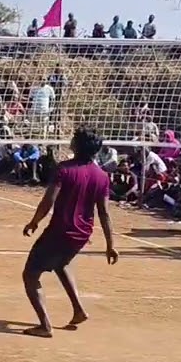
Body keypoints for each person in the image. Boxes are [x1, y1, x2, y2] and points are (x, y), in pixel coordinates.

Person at [20, 128, 119, 337]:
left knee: (30, 275)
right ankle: (79, 310)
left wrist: (34, 222)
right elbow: (104, 213)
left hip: (60, 231)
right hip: (81, 234)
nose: (71, 141)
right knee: (61, 263)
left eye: (74, 139)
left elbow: (49, 200)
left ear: (78, 145)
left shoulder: (64, 169)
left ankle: (45, 325)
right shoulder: (101, 176)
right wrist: (111, 245)